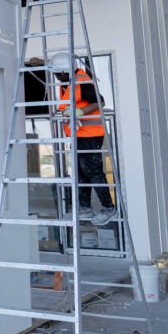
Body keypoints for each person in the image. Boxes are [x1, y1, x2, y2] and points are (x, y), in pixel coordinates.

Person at [51, 52, 115, 227]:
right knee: (81, 171)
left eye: (57, 73)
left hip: (90, 133)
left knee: (93, 170)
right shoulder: (69, 80)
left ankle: (108, 208)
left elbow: (100, 102)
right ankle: (85, 207)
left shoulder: (81, 81)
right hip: (79, 133)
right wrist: (39, 62)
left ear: (64, 71)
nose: (56, 77)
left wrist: (79, 112)